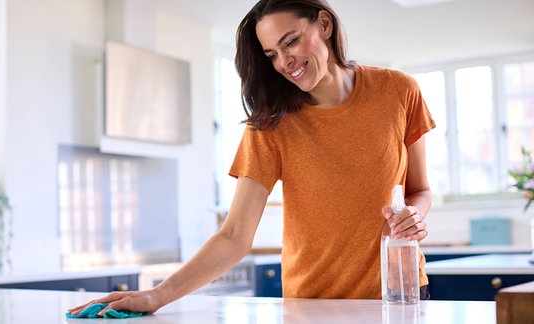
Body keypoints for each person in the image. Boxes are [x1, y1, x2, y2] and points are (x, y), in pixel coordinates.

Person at [68, 0, 435, 316]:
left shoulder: (399, 90)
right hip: (311, 304)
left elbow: (420, 190)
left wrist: (414, 217)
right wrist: (156, 295)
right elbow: (233, 236)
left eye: (290, 41)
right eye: (272, 54)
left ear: (324, 23)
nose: (284, 62)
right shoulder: (272, 125)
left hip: (398, 296)